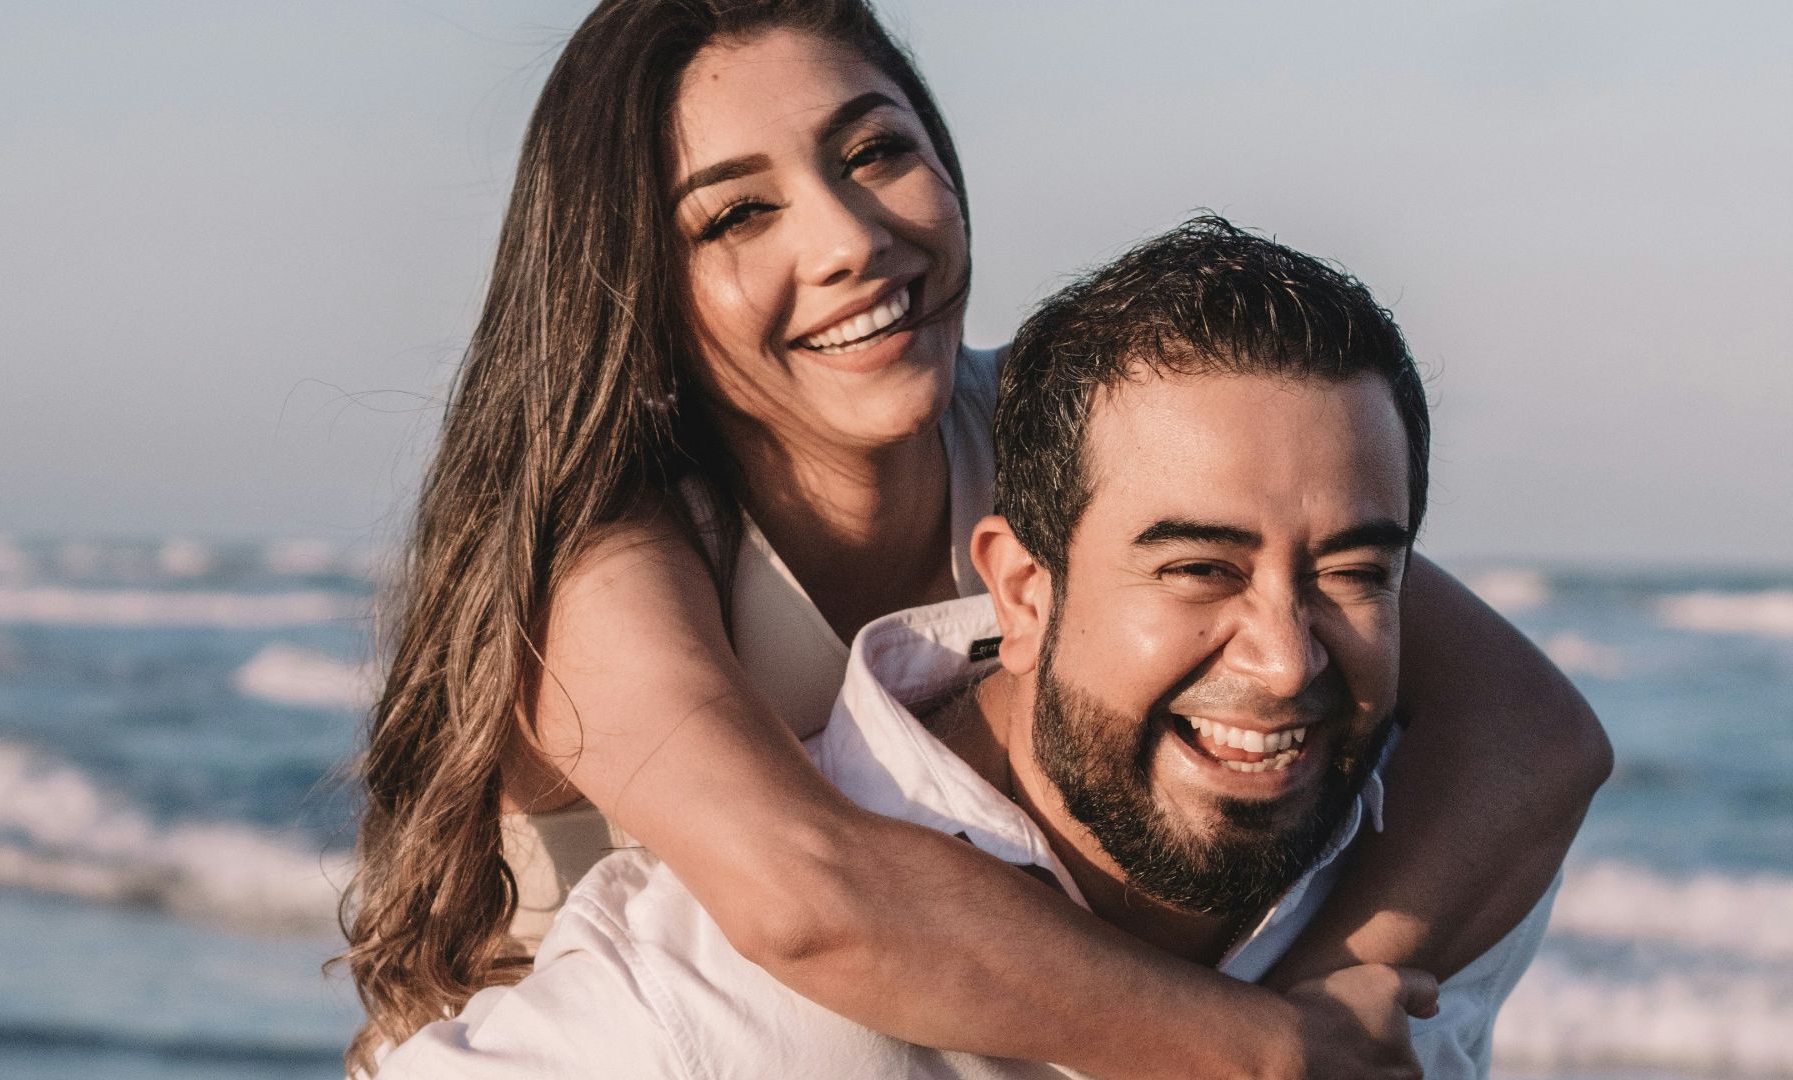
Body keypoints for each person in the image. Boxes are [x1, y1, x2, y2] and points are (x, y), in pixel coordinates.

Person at [342, 3, 1609, 1077]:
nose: (846, 240)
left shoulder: (1057, 433)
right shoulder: (612, 555)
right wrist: (1266, 1053)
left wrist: (1337, 984)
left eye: (875, 152)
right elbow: (806, 899)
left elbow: (1533, 734)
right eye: (736, 217)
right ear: (632, 280)